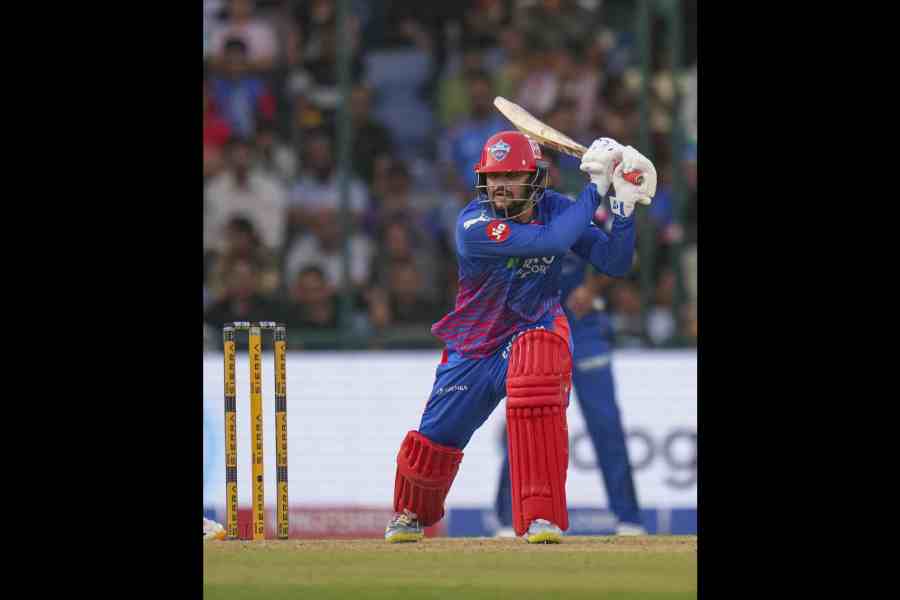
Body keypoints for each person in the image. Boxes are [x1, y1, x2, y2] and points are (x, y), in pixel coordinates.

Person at [383, 131, 656, 544]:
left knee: (538, 373)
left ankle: (541, 518)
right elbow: (550, 242)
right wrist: (596, 188)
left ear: (535, 178)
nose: (499, 186)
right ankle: (410, 513)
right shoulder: (474, 224)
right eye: (493, 177)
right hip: (476, 344)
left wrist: (623, 207)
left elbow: (613, 263)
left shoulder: (558, 209)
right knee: (438, 436)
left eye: (510, 175)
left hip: (532, 326)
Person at [494, 261, 647, 537]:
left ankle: (628, 518)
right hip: (537, 321)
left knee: (606, 424)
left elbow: (623, 252)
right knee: (527, 419)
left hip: (583, 323)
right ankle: (508, 517)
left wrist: (591, 287)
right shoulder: (524, 216)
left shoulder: (593, 214)